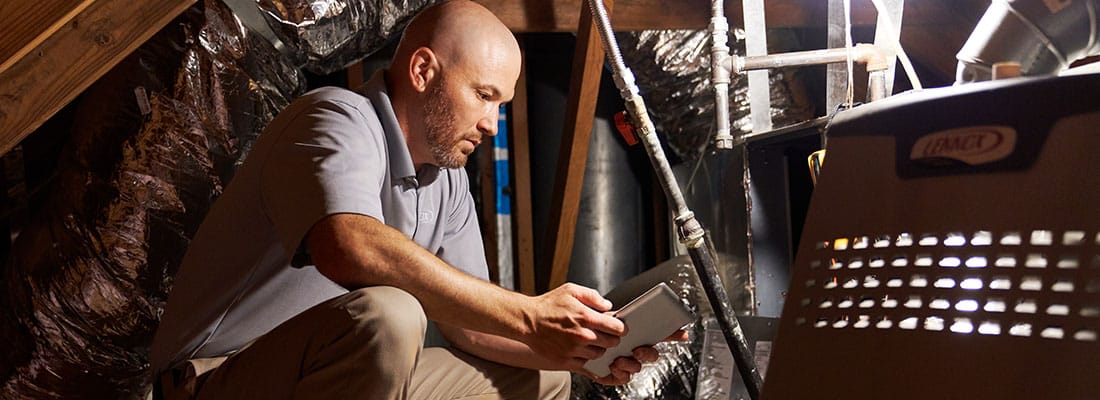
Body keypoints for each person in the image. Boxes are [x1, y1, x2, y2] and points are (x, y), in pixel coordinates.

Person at [151, 1, 682, 399]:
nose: (491, 124)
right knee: (391, 312)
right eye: (483, 95)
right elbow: (348, 245)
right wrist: (528, 316)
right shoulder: (335, 117)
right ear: (424, 71)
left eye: (502, 104)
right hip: (216, 380)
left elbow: (470, 325)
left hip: (330, 378)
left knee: (544, 381)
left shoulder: (445, 179)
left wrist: (580, 350)